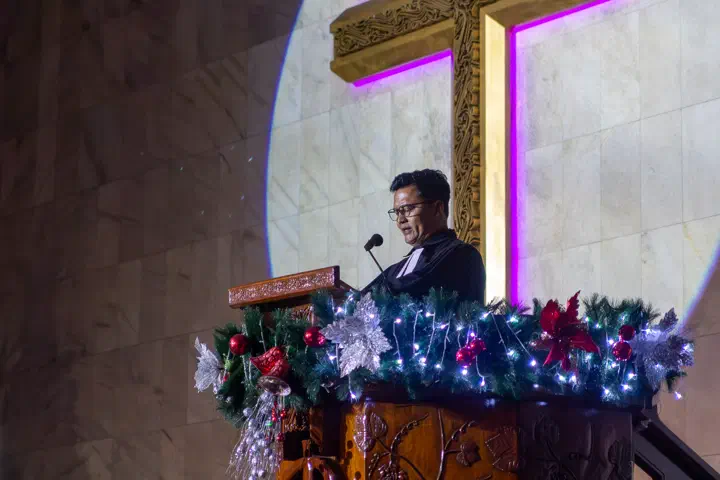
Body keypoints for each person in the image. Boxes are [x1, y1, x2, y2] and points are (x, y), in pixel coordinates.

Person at [361, 169, 486, 303]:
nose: (400, 220)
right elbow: (359, 299)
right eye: (397, 212)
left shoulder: (462, 255)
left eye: (408, 209)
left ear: (437, 208)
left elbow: (415, 287)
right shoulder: (395, 270)